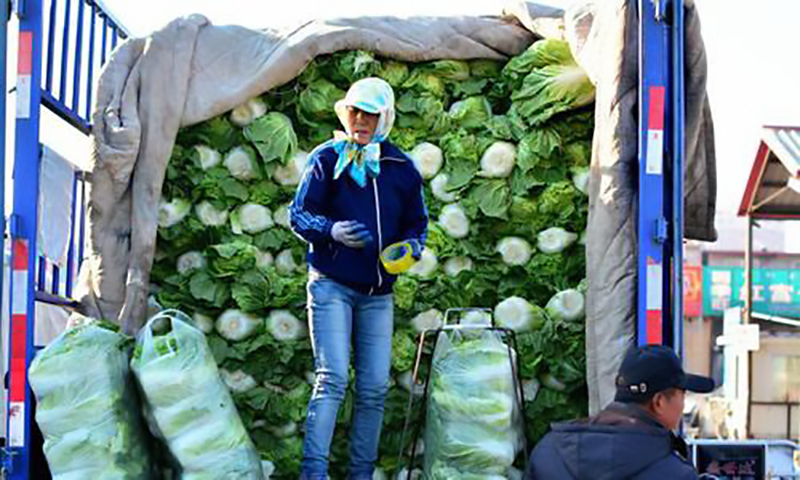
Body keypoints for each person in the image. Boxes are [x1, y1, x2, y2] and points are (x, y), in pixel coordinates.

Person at [289, 77, 428, 480]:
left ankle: (360, 474)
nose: (361, 120)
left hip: (378, 293)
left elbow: (417, 224)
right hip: (331, 284)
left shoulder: (402, 168)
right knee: (332, 378)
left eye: (370, 114)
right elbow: (298, 214)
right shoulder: (327, 158)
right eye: (355, 111)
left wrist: (413, 247)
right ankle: (313, 473)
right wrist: (330, 231)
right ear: (344, 114)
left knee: (373, 389)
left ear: (385, 118)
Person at [525, 344, 715, 480]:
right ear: (659, 402)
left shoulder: (549, 451)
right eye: (682, 395)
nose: (683, 406)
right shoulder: (675, 473)